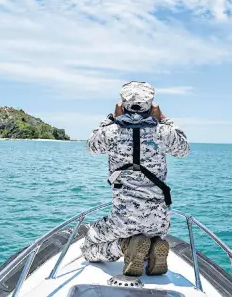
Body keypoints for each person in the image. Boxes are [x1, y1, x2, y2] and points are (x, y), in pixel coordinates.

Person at [80, 81, 190, 276]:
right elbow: (183, 149)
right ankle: (153, 247)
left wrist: (112, 118)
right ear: (151, 104)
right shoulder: (162, 132)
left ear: (123, 103)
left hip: (123, 220)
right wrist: (163, 119)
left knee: (88, 246)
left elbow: (91, 146)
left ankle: (126, 246)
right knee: (147, 238)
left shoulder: (111, 132)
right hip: (159, 222)